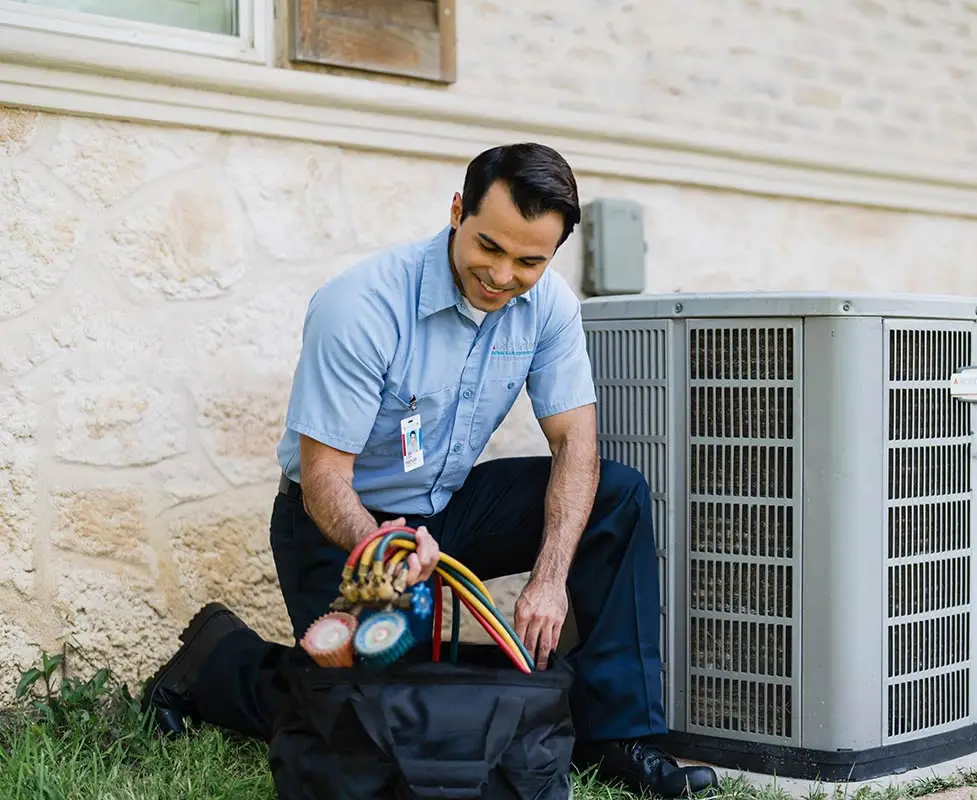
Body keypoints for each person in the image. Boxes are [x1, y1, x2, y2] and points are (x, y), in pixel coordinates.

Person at [140, 142, 720, 797]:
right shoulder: (360, 306)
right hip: (341, 519)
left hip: (448, 506)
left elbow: (575, 444)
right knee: (389, 714)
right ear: (456, 212)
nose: (503, 276)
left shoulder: (550, 306)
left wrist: (550, 577)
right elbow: (325, 476)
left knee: (617, 493)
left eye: (530, 260)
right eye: (489, 248)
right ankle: (218, 662)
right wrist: (382, 549)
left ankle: (614, 734)